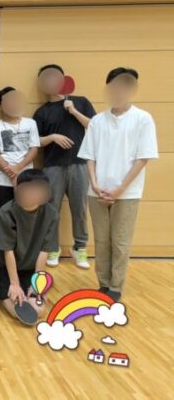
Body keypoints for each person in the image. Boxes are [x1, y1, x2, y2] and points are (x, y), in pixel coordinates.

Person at [78, 68, 158, 301]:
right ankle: (103, 283)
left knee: (120, 241)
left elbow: (143, 158)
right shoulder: (97, 121)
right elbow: (89, 156)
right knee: (101, 240)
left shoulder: (142, 118)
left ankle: (115, 286)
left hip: (127, 193)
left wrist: (120, 189)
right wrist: (94, 184)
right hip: (97, 191)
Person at [33, 64, 96, 269]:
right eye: (46, 78)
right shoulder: (41, 112)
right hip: (52, 166)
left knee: (80, 208)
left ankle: (80, 248)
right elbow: (35, 141)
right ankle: (53, 248)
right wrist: (52, 137)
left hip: (79, 164)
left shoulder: (80, 102)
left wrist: (74, 111)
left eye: (55, 77)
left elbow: (95, 127)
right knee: (51, 209)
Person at [0, 169, 58, 325]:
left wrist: (37, 283)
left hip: (29, 268)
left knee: (39, 311)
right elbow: (8, 250)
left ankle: (11, 285)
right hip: (5, 267)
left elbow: (44, 251)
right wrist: (14, 284)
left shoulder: (51, 213)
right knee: (17, 312)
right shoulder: (7, 212)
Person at [0, 87, 40, 211]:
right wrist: (13, 175)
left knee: (27, 215)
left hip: (26, 179)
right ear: (1, 106)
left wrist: (18, 168)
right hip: (1, 180)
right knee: (5, 215)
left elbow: (34, 149)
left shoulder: (30, 123)